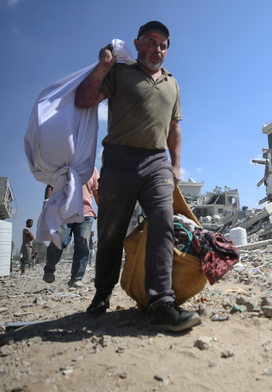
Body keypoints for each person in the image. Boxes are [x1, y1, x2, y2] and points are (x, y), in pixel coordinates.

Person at [75, 21, 200, 332]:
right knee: (110, 231)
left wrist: (175, 166)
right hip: (119, 158)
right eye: (150, 42)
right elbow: (84, 100)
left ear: (167, 50)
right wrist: (104, 66)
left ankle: (161, 302)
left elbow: (174, 128)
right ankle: (102, 294)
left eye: (162, 45)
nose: (156, 49)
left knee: (163, 221)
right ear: (137, 42)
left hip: (157, 161)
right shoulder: (120, 71)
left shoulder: (173, 84)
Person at [42, 167, 100, 288]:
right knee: (61, 240)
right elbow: (50, 186)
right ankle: (50, 268)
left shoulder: (92, 169)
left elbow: (97, 192)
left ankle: (76, 278)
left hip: (86, 213)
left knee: (82, 243)